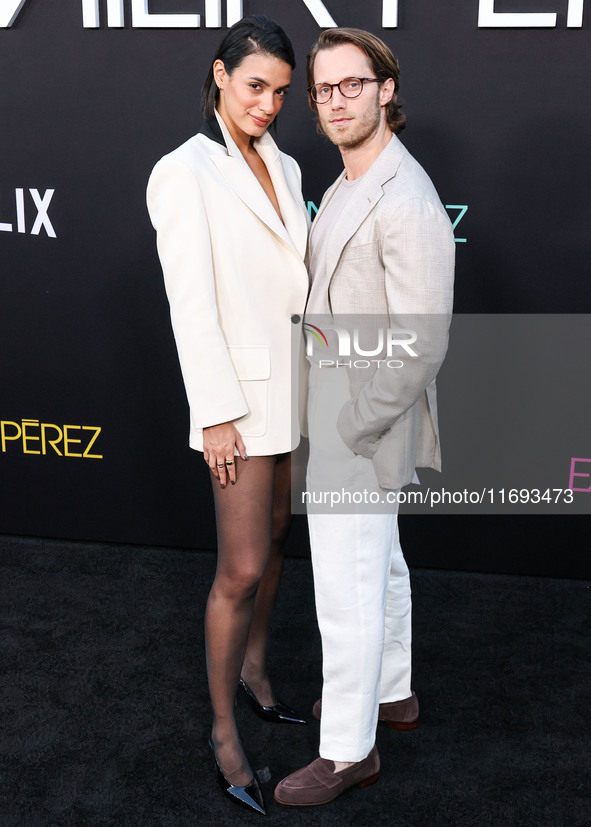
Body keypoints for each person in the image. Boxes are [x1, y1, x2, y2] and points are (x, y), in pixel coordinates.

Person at [274, 28, 455, 808]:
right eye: (323, 89)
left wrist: (353, 425)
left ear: (386, 89)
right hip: (341, 401)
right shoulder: (351, 180)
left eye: (352, 85)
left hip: (364, 418)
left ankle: (348, 751)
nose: (336, 101)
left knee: (345, 587)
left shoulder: (404, 197)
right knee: (378, 564)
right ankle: (392, 693)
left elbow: (422, 342)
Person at [146, 15, 309, 817]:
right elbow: (191, 305)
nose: (269, 105)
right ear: (218, 75)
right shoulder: (182, 172)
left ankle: (253, 670)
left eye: (281, 92)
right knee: (240, 567)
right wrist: (214, 415)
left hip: (296, 395)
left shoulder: (285, 162)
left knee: (278, 541)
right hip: (236, 407)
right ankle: (221, 732)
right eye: (255, 87)